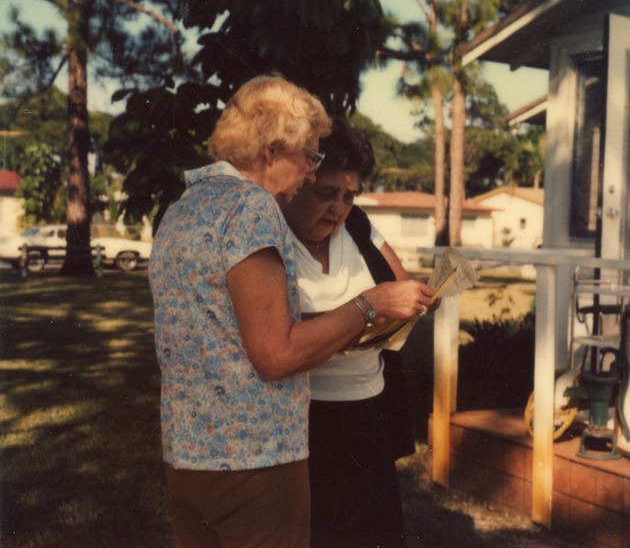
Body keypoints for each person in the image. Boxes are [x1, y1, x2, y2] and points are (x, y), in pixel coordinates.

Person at [148, 75, 434, 548]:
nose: (309, 171)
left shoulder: (183, 207)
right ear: (271, 151)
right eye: (309, 156)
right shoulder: (252, 208)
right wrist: (368, 305)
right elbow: (275, 354)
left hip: (188, 457)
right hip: (255, 462)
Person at [280, 117, 435, 547]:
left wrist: (415, 300)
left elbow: (397, 286)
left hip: (370, 412)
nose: (338, 208)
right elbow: (276, 335)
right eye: (326, 193)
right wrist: (366, 310)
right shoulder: (272, 237)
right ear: (297, 183)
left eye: (349, 196)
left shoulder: (359, 224)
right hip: (308, 422)